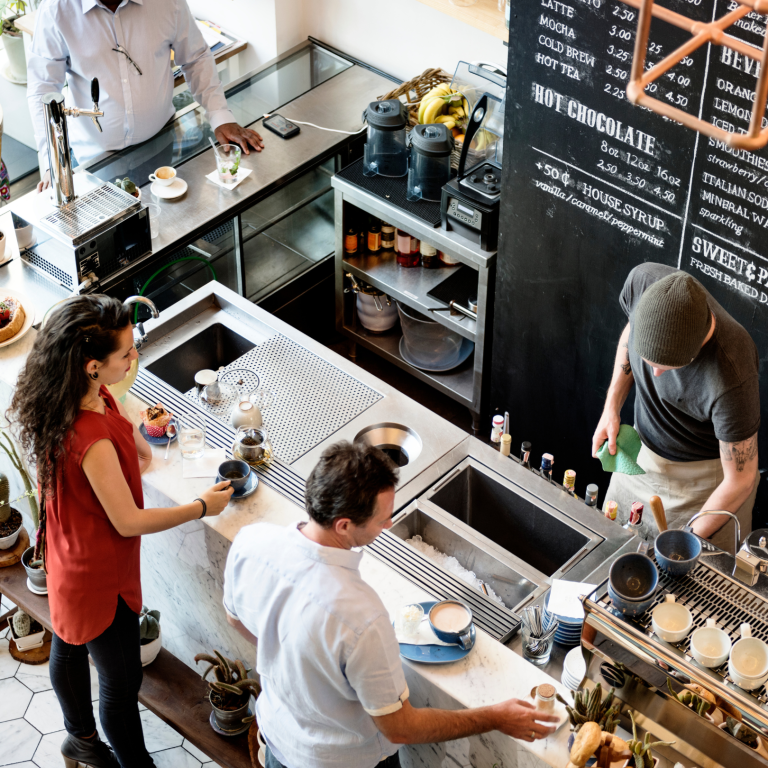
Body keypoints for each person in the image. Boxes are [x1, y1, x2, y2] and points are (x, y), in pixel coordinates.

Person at [223, 441, 558, 768]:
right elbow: (400, 727)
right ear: (344, 525)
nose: (389, 524)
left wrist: (295, 661)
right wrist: (494, 717)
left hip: (277, 743)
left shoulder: (252, 541)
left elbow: (234, 618)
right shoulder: (361, 617)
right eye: (383, 519)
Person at [7, 295, 234, 768]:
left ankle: (79, 741)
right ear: (92, 365)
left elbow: (135, 451)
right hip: (99, 577)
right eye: (127, 353)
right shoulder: (88, 439)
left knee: (69, 644)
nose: (135, 358)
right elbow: (128, 520)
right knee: (120, 683)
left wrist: (132, 431)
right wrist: (200, 507)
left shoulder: (76, 395)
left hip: (68, 553)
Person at [591, 263, 760, 549]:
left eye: (667, 368)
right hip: (640, 458)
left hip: (704, 485)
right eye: (649, 362)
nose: (655, 375)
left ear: (696, 353)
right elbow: (630, 331)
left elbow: (741, 479)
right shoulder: (642, 283)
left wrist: (688, 539)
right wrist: (612, 406)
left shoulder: (733, 373)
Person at [27, 0, 264, 192]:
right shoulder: (56, 10)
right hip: (93, 164)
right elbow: (43, 90)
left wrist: (221, 116)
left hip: (159, 145)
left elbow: (196, 58)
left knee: (165, 230)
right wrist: (52, 163)